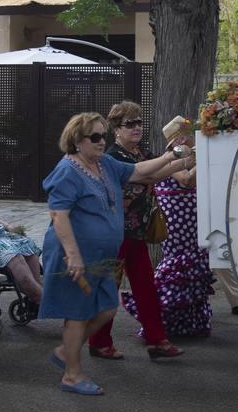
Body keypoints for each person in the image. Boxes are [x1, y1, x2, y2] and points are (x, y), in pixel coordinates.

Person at [39, 112, 192, 396]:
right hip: (75, 254)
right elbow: (59, 215)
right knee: (77, 313)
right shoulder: (67, 171)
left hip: (101, 255)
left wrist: (174, 157)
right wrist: (72, 256)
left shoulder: (104, 163)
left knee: (107, 307)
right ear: (76, 140)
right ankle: (72, 374)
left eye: (103, 136)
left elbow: (142, 172)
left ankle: (65, 351)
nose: (101, 141)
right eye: (94, 137)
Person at [88, 101, 183, 360]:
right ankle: (98, 341)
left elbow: (160, 172)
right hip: (116, 232)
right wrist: (176, 158)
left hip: (136, 232)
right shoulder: (112, 158)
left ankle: (157, 341)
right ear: (116, 129)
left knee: (145, 287)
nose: (137, 127)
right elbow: (148, 177)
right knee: (109, 287)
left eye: (139, 122)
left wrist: (184, 156)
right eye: (130, 124)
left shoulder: (142, 153)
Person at [151, 122, 214, 337]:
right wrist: (202, 158)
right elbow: (186, 180)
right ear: (180, 140)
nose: (193, 140)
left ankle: (192, 321)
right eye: (189, 136)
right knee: (177, 263)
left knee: (194, 262)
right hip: (176, 219)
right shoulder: (171, 157)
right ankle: (166, 315)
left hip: (191, 217)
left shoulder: (192, 155)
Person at [0, 218, 43, 305]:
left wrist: (7, 226)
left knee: (28, 244)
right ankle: (39, 296)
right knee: (13, 255)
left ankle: (35, 291)